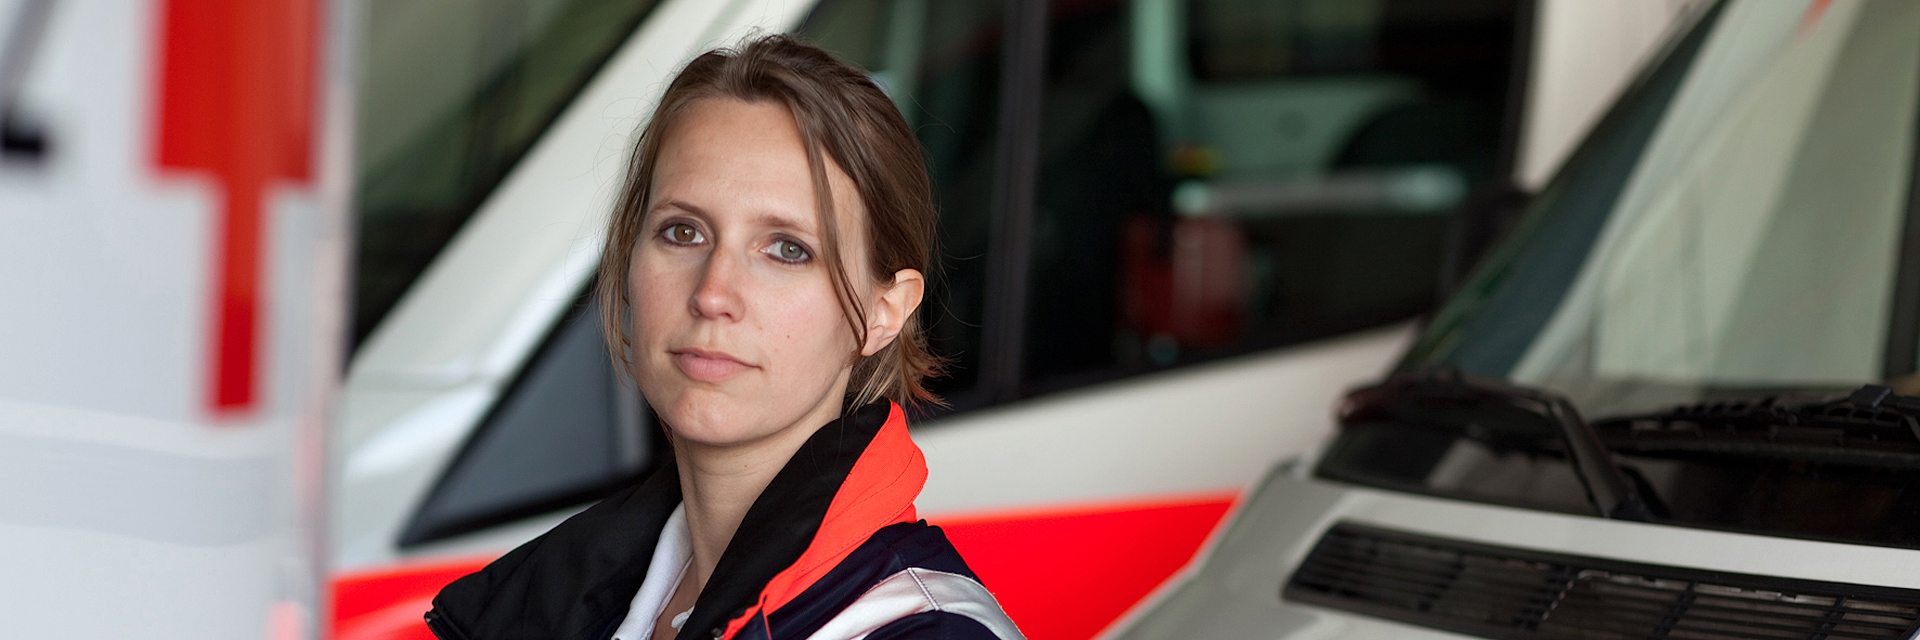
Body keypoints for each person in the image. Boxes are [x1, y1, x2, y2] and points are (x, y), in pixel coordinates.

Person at [423, 34, 1024, 640]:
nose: (713, 292)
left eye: (788, 249)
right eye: (683, 233)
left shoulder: (929, 631)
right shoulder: (560, 598)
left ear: (883, 312)